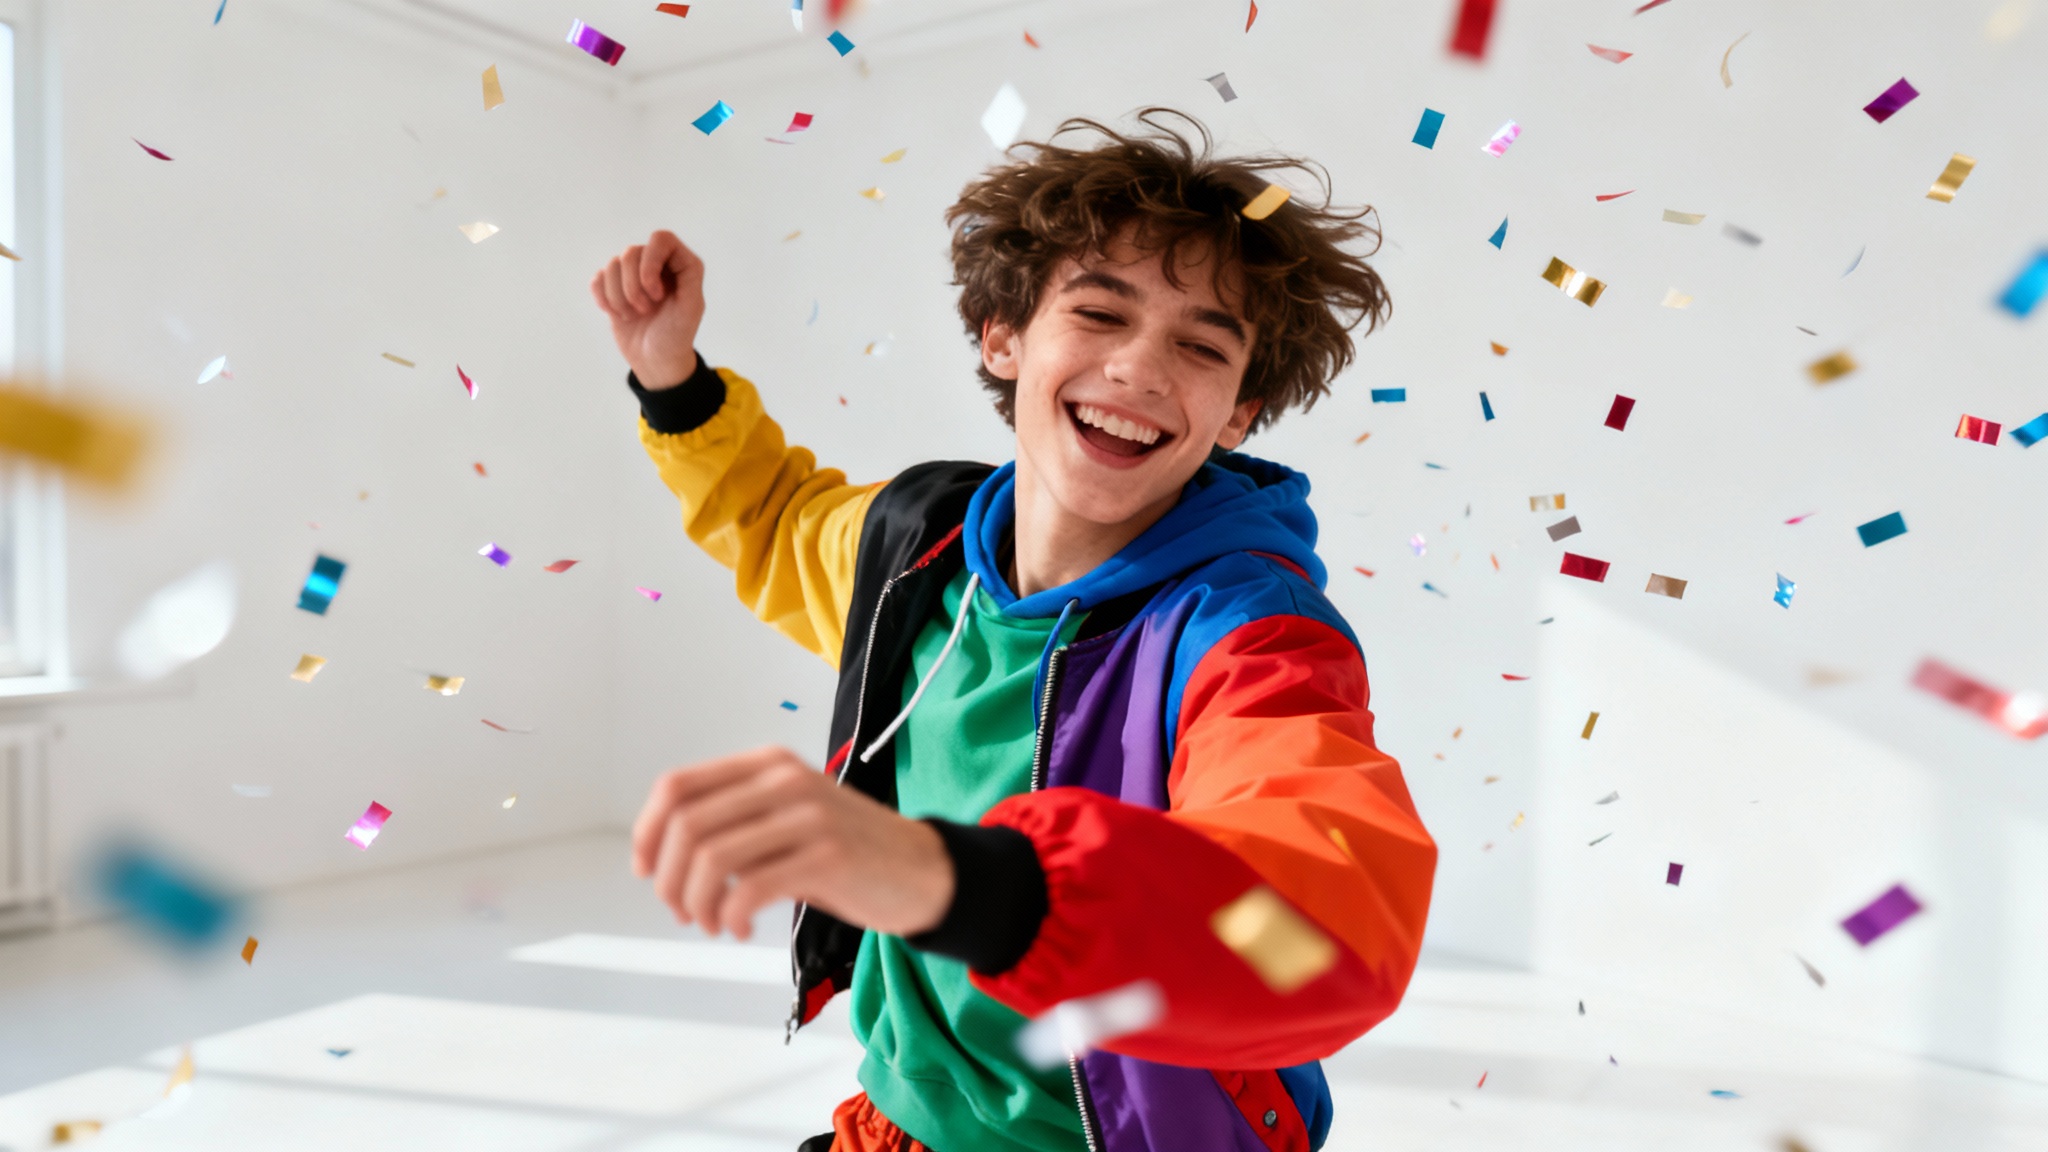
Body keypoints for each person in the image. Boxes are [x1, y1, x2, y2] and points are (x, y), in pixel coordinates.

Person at [591, 110, 1436, 1152]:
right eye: (1098, 312)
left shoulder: (1250, 642)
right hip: (895, 1128)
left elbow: (1321, 924)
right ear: (1002, 337)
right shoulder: (918, 548)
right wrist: (671, 380)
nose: (1138, 369)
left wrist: (953, 880)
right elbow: (774, 516)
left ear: (1237, 413)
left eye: (1200, 345)